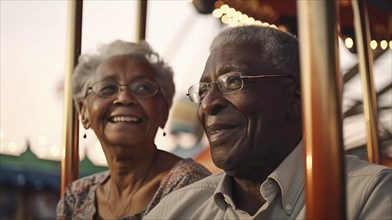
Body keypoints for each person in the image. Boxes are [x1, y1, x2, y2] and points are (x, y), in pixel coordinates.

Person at [145, 25, 392, 219]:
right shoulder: (177, 209)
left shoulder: (369, 195)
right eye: (204, 89)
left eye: (232, 81)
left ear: (296, 98)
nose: (208, 104)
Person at [56, 40, 211, 220]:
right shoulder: (76, 197)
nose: (124, 97)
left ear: (162, 111)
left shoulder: (188, 185)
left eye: (142, 88)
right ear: (84, 112)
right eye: (107, 88)